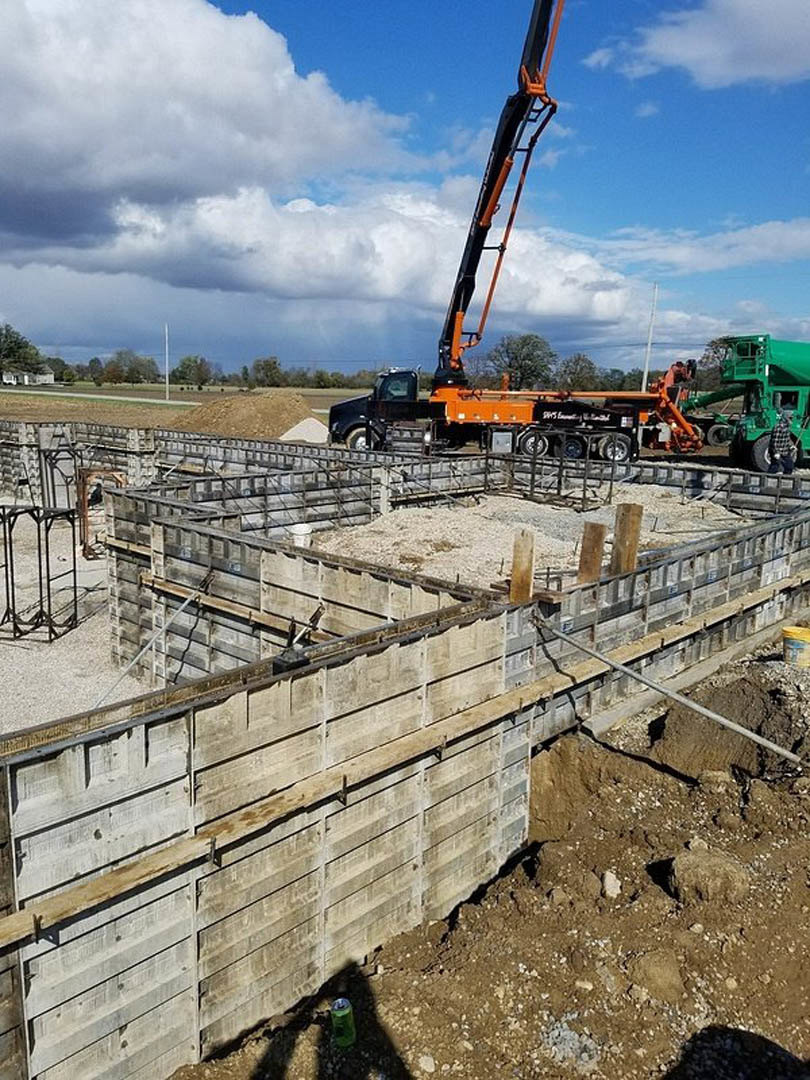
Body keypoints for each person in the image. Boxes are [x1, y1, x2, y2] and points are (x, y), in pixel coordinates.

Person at [769, 407, 795, 474]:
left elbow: (787, 439)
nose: (792, 420)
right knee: (775, 467)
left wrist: (791, 446)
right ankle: (767, 479)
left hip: (785, 451)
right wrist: (776, 452)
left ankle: (786, 480)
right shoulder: (778, 427)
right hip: (777, 451)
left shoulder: (787, 427)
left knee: (790, 467)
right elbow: (774, 442)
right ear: (786, 418)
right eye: (790, 418)